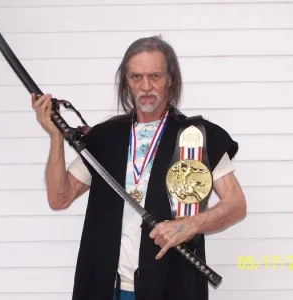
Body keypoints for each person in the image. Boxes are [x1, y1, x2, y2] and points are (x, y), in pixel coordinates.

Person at [31, 36, 246, 300]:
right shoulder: (104, 137)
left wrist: (191, 225)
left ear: (171, 80)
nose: (146, 86)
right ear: (127, 83)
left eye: (155, 76)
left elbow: (236, 205)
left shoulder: (198, 136)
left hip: (172, 288)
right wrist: (55, 137)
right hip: (103, 287)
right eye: (136, 77)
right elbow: (59, 198)